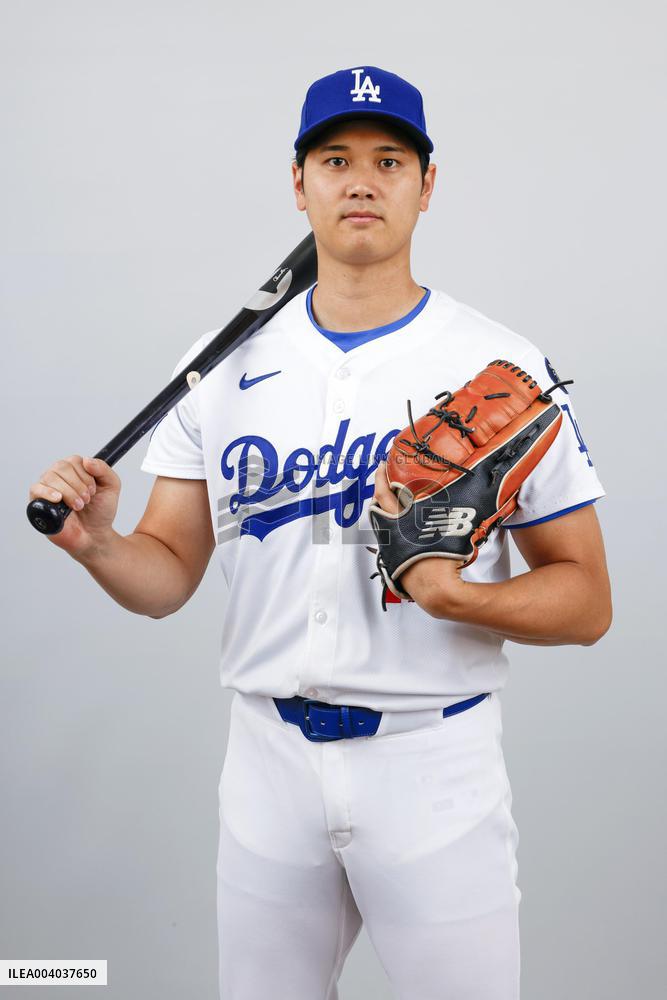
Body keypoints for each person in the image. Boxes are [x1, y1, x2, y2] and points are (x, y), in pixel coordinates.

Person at [28, 65, 612, 1000]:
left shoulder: (497, 362)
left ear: (427, 185)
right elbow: (169, 571)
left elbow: (587, 600)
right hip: (266, 767)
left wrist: (457, 595)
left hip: (432, 762)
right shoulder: (217, 368)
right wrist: (99, 544)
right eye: (334, 159)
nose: (361, 180)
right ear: (297, 184)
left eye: (389, 159)